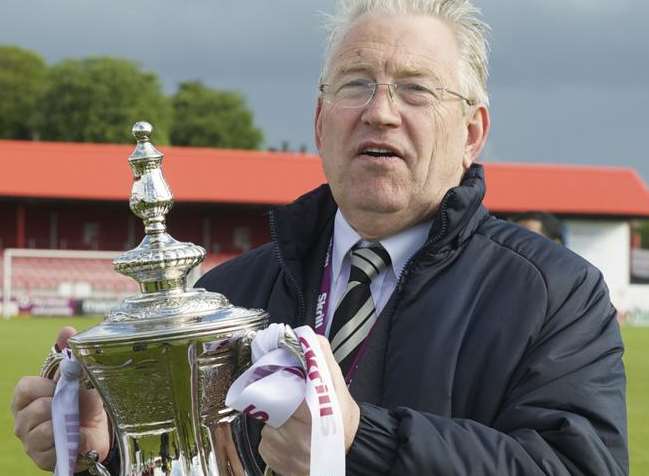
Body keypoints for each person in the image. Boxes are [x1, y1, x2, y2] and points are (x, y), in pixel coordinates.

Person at [12, 0, 628, 474]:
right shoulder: (228, 298)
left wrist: (357, 443)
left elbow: (580, 466)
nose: (380, 111)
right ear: (319, 120)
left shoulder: (555, 294)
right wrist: (113, 449)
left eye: (415, 88)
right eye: (356, 83)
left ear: (472, 132)